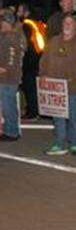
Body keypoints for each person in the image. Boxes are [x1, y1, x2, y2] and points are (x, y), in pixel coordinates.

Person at [39, 12, 76, 155]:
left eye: (70, 23)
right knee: (58, 116)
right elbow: (44, 59)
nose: (67, 25)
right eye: (65, 23)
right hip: (54, 87)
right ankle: (59, 143)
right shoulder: (54, 40)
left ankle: (75, 143)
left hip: (72, 86)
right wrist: (43, 74)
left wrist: (71, 77)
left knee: (73, 115)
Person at [0, 8, 27, 140]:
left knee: (8, 105)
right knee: (7, 104)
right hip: (8, 77)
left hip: (8, 78)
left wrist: (4, 68)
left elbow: (11, 56)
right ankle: (9, 130)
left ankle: (11, 132)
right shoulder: (10, 36)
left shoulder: (10, 37)